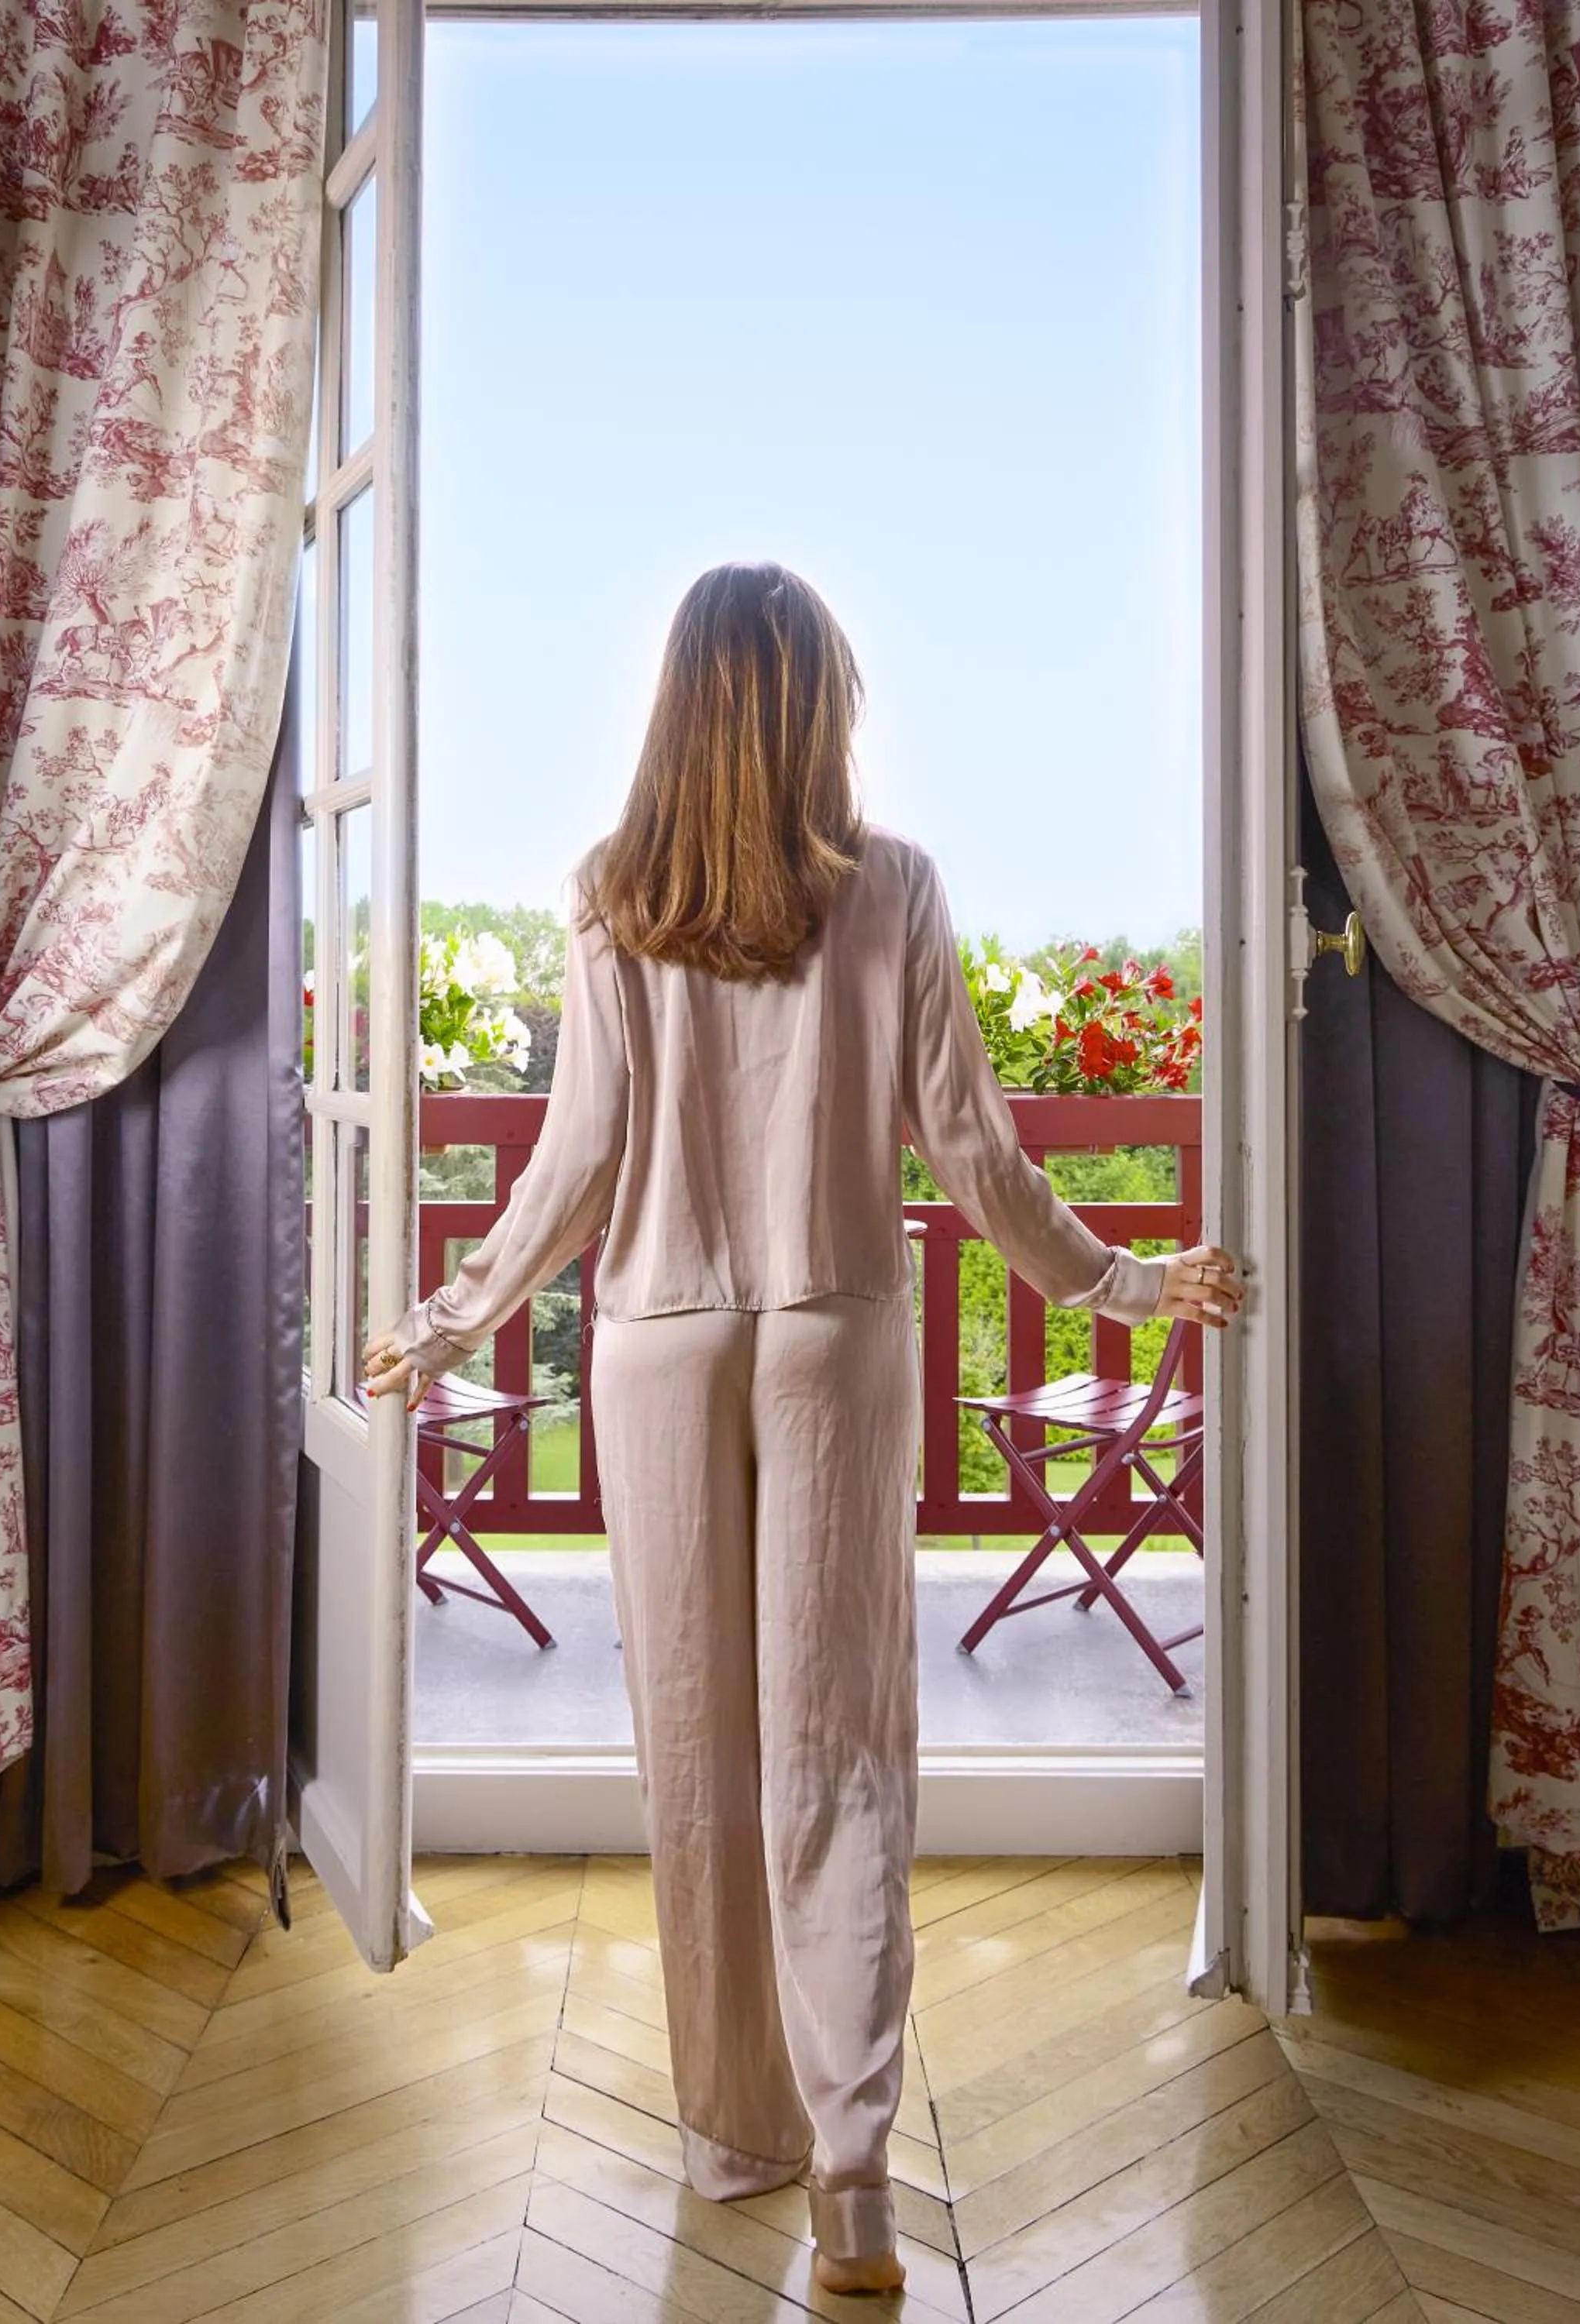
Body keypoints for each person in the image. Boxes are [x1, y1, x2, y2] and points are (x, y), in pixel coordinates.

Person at [364, 561, 1241, 2297]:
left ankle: (734, 2138)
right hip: (833, 1339)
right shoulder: (895, 888)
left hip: (657, 1342)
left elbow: (575, 1156)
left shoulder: (612, 896)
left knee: (699, 1760)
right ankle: (852, 2184)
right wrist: (1128, 1291)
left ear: (681, 707)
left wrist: (451, 1314)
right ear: (818, 702)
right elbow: (973, 1151)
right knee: (839, 1755)